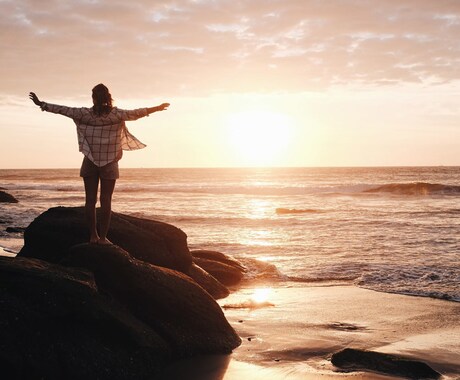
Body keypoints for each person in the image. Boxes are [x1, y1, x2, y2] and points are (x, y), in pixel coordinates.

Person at [29, 84, 169, 245]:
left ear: (93, 97)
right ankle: (103, 238)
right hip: (110, 162)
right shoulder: (116, 114)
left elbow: (63, 109)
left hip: (90, 160)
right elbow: (136, 113)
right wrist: (156, 108)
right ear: (108, 97)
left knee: (90, 201)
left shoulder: (84, 114)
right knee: (106, 200)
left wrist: (41, 104)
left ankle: (92, 236)